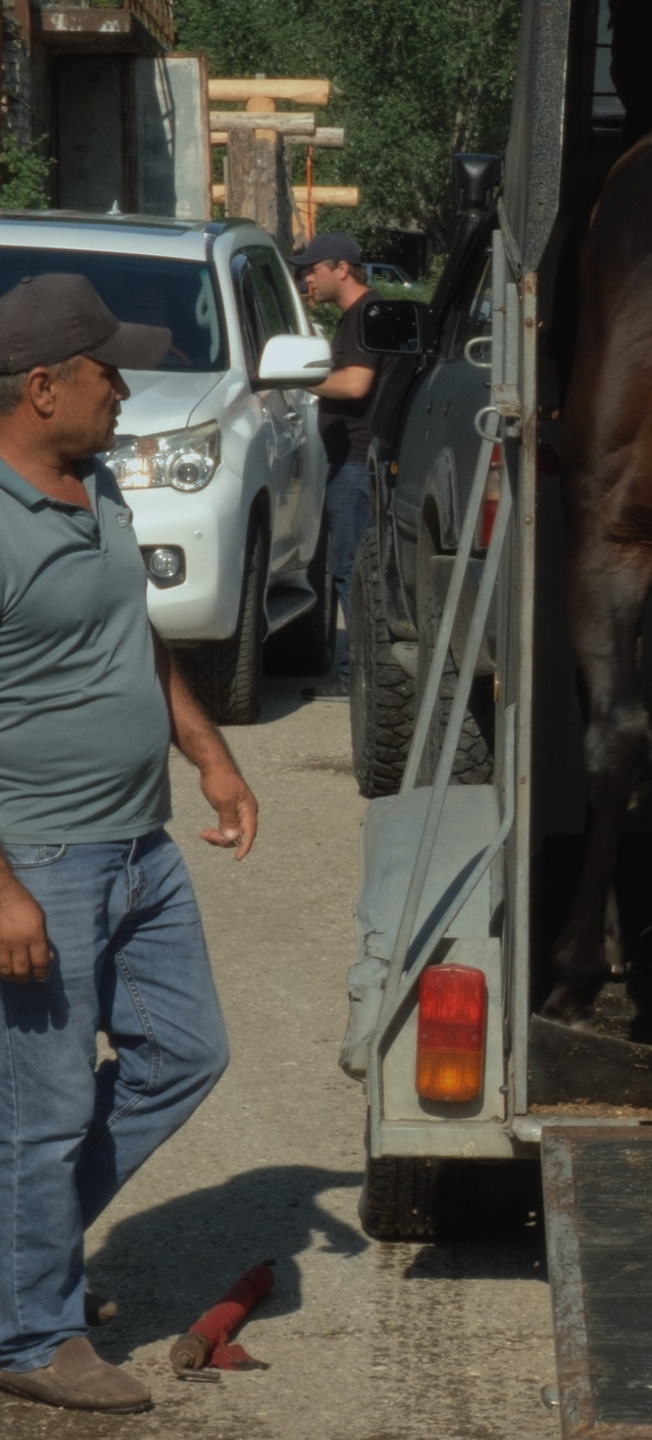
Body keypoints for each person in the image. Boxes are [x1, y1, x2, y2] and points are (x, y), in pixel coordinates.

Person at [0, 274, 256, 1413]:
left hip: (138, 845)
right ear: (43, 386)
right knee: (43, 1114)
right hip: (41, 861)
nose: (127, 388)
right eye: (109, 371)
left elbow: (130, 630)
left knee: (184, 1053)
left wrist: (207, 750)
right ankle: (29, 1333)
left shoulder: (93, 479)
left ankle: (21, 1261)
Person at [290, 232, 377, 700]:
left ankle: (357, 678)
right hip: (353, 462)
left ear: (341, 268)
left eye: (312, 268)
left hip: (358, 464)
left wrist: (302, 378)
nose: (307, 278)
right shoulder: (357, 317)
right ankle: (356, 672)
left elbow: (358, 383)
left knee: (350, 569)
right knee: (349, 568)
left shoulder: (363, 316)